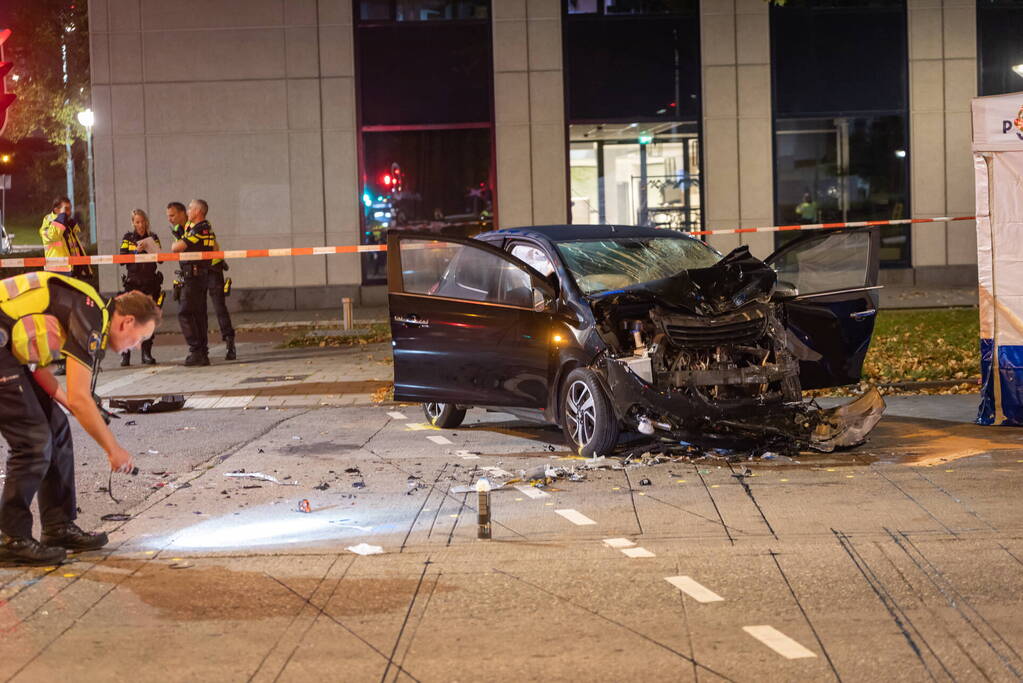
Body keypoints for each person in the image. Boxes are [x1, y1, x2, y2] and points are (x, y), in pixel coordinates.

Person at [0, 272, 159, 565]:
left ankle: (58, 526)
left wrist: (65, 401)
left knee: (56, 427)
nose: (137, 346)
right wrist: (113, 449)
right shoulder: (91, 318)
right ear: (127, 322)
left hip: (7, 351)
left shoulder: (89, 306)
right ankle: (11, 538)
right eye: (141, 338)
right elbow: (81, 398)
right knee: (33, 440)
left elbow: (33, 361)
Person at [172, 199, 216, 366]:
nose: (188, 211)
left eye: (190, 208)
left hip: (194, 277)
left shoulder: (199, 229)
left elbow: (176, 248)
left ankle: (196, 350)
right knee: (199, 315)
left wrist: (177, 242)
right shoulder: (205, 228)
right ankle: (202, 352)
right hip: (199, 276)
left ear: (198, 211)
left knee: (185, 312)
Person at [118, 209, 163, 366]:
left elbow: (161, 258)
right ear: (133, 223)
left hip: (150, 283)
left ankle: (146, 353)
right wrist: (135, 251)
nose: (141, 225)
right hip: (133, 284)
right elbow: (121, 259)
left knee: (148, 320)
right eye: (137, 222)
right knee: (129, 320)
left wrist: (150, 249)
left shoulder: (153, 237)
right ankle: (126, 355)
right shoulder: (128, 238)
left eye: (143, 221)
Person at [39, 197, 92, 279]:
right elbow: (54, 235)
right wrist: (62, 217)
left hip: (71, 270)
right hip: (57, 272)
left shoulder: (67, 224)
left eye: (70, 208)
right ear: (56, 210)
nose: (69, 212)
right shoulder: (49, 223)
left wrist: (82, 267)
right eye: (66, 209)